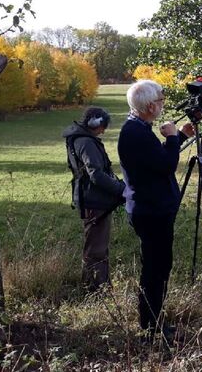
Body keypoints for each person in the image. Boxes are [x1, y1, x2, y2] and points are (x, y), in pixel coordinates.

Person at [118, 80, 194, 342]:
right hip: (151, 213)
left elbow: (154, 160)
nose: (163, 104)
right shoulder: (135, 133)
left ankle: (154, 321)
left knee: (159, 267)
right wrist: (173, 137)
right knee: (156, 270)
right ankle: (150, 327)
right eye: (161, 101)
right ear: (150, 106)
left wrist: (180, 136)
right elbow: (165, 166)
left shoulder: (138, 128)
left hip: (153, 210)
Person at [63, 107, 125, 292]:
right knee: (96, 249)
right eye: (103, 126)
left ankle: (101, 287)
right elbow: (96, 174)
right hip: (94, 201)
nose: (104, 130)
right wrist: (121, 189)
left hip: (93, 199)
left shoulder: (80, 139)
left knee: (98, 246)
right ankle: (95, 290)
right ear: (95, 123)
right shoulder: (86, 142)